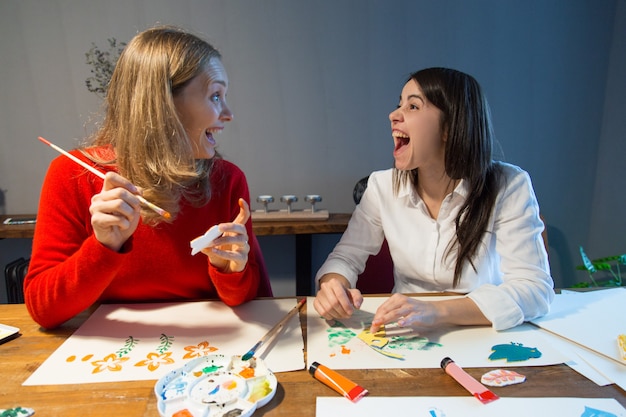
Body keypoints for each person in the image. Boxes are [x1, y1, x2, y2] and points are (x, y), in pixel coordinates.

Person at [24, 25, 271, 329]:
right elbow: (43, 310)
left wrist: (230, 271)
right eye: (216, 96)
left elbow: (252, 301)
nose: (229, 113)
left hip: (208, 359)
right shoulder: (71, 174)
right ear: (164, 104)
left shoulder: (228, 180)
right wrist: (103, 247)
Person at [313, 67, 554, 332]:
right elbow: (345, 258)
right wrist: (332, 284)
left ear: (450, 127)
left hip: (480, 329)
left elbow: (535, 290)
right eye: (399, 105)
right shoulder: (381, 186)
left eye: (413, 106)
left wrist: (436, 311)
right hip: (404, 329)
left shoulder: (508, 185)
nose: (393, 115)